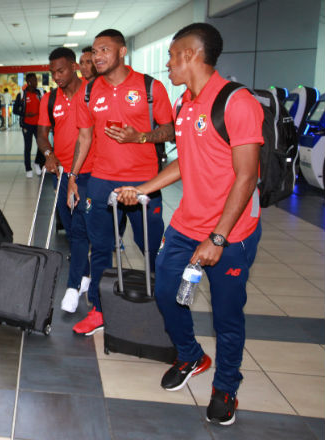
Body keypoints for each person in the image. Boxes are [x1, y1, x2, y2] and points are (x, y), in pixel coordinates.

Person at [115, 23, 262, 426]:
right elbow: (186, 161)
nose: (167, 64)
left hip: (231, 233)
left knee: (227, 316)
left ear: (193, 55)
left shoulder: (237, 102)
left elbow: (246, 176)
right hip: (186, 225)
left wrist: (218, 237)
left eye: (172, 55)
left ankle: (226, 386)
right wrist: (143, 188)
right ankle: (191, 355)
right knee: (166, 291)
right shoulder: (184, 105)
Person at [67, 29, 175, 336]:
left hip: (145, 182)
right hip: (101, 182)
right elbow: (85, 137)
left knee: (152, 249)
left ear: (122, 51)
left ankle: (161, 309)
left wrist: (140, 136)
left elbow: (169, 131)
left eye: (105, 50)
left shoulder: (149, 87)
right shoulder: (89, 92)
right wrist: (74, 177)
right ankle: (98, 311)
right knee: (99, 249)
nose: (98, 56)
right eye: (95, 51)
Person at [36, 47, 92, 314]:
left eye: (61, 71)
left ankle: (73, 286)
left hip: (91, 173)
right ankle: (85, 276)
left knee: (82, 230)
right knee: (71, 230)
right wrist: (49, 154)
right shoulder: (49, 99)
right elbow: (42, 135)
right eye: (52, 72)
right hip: (62, 174)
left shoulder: (92, 92)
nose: (56, 76)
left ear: (74, 67)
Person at [15, 73, 45, 178]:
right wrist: (25, 114)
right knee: (28, 147)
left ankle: (37, 163)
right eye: (33, 81)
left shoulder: (40, 93)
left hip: (39, 125)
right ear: (28, 82)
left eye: (36, 80)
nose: (36, 83)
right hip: (26, 125)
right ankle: (28, 168)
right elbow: (15, 110)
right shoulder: (22, 95)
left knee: (42, 146)